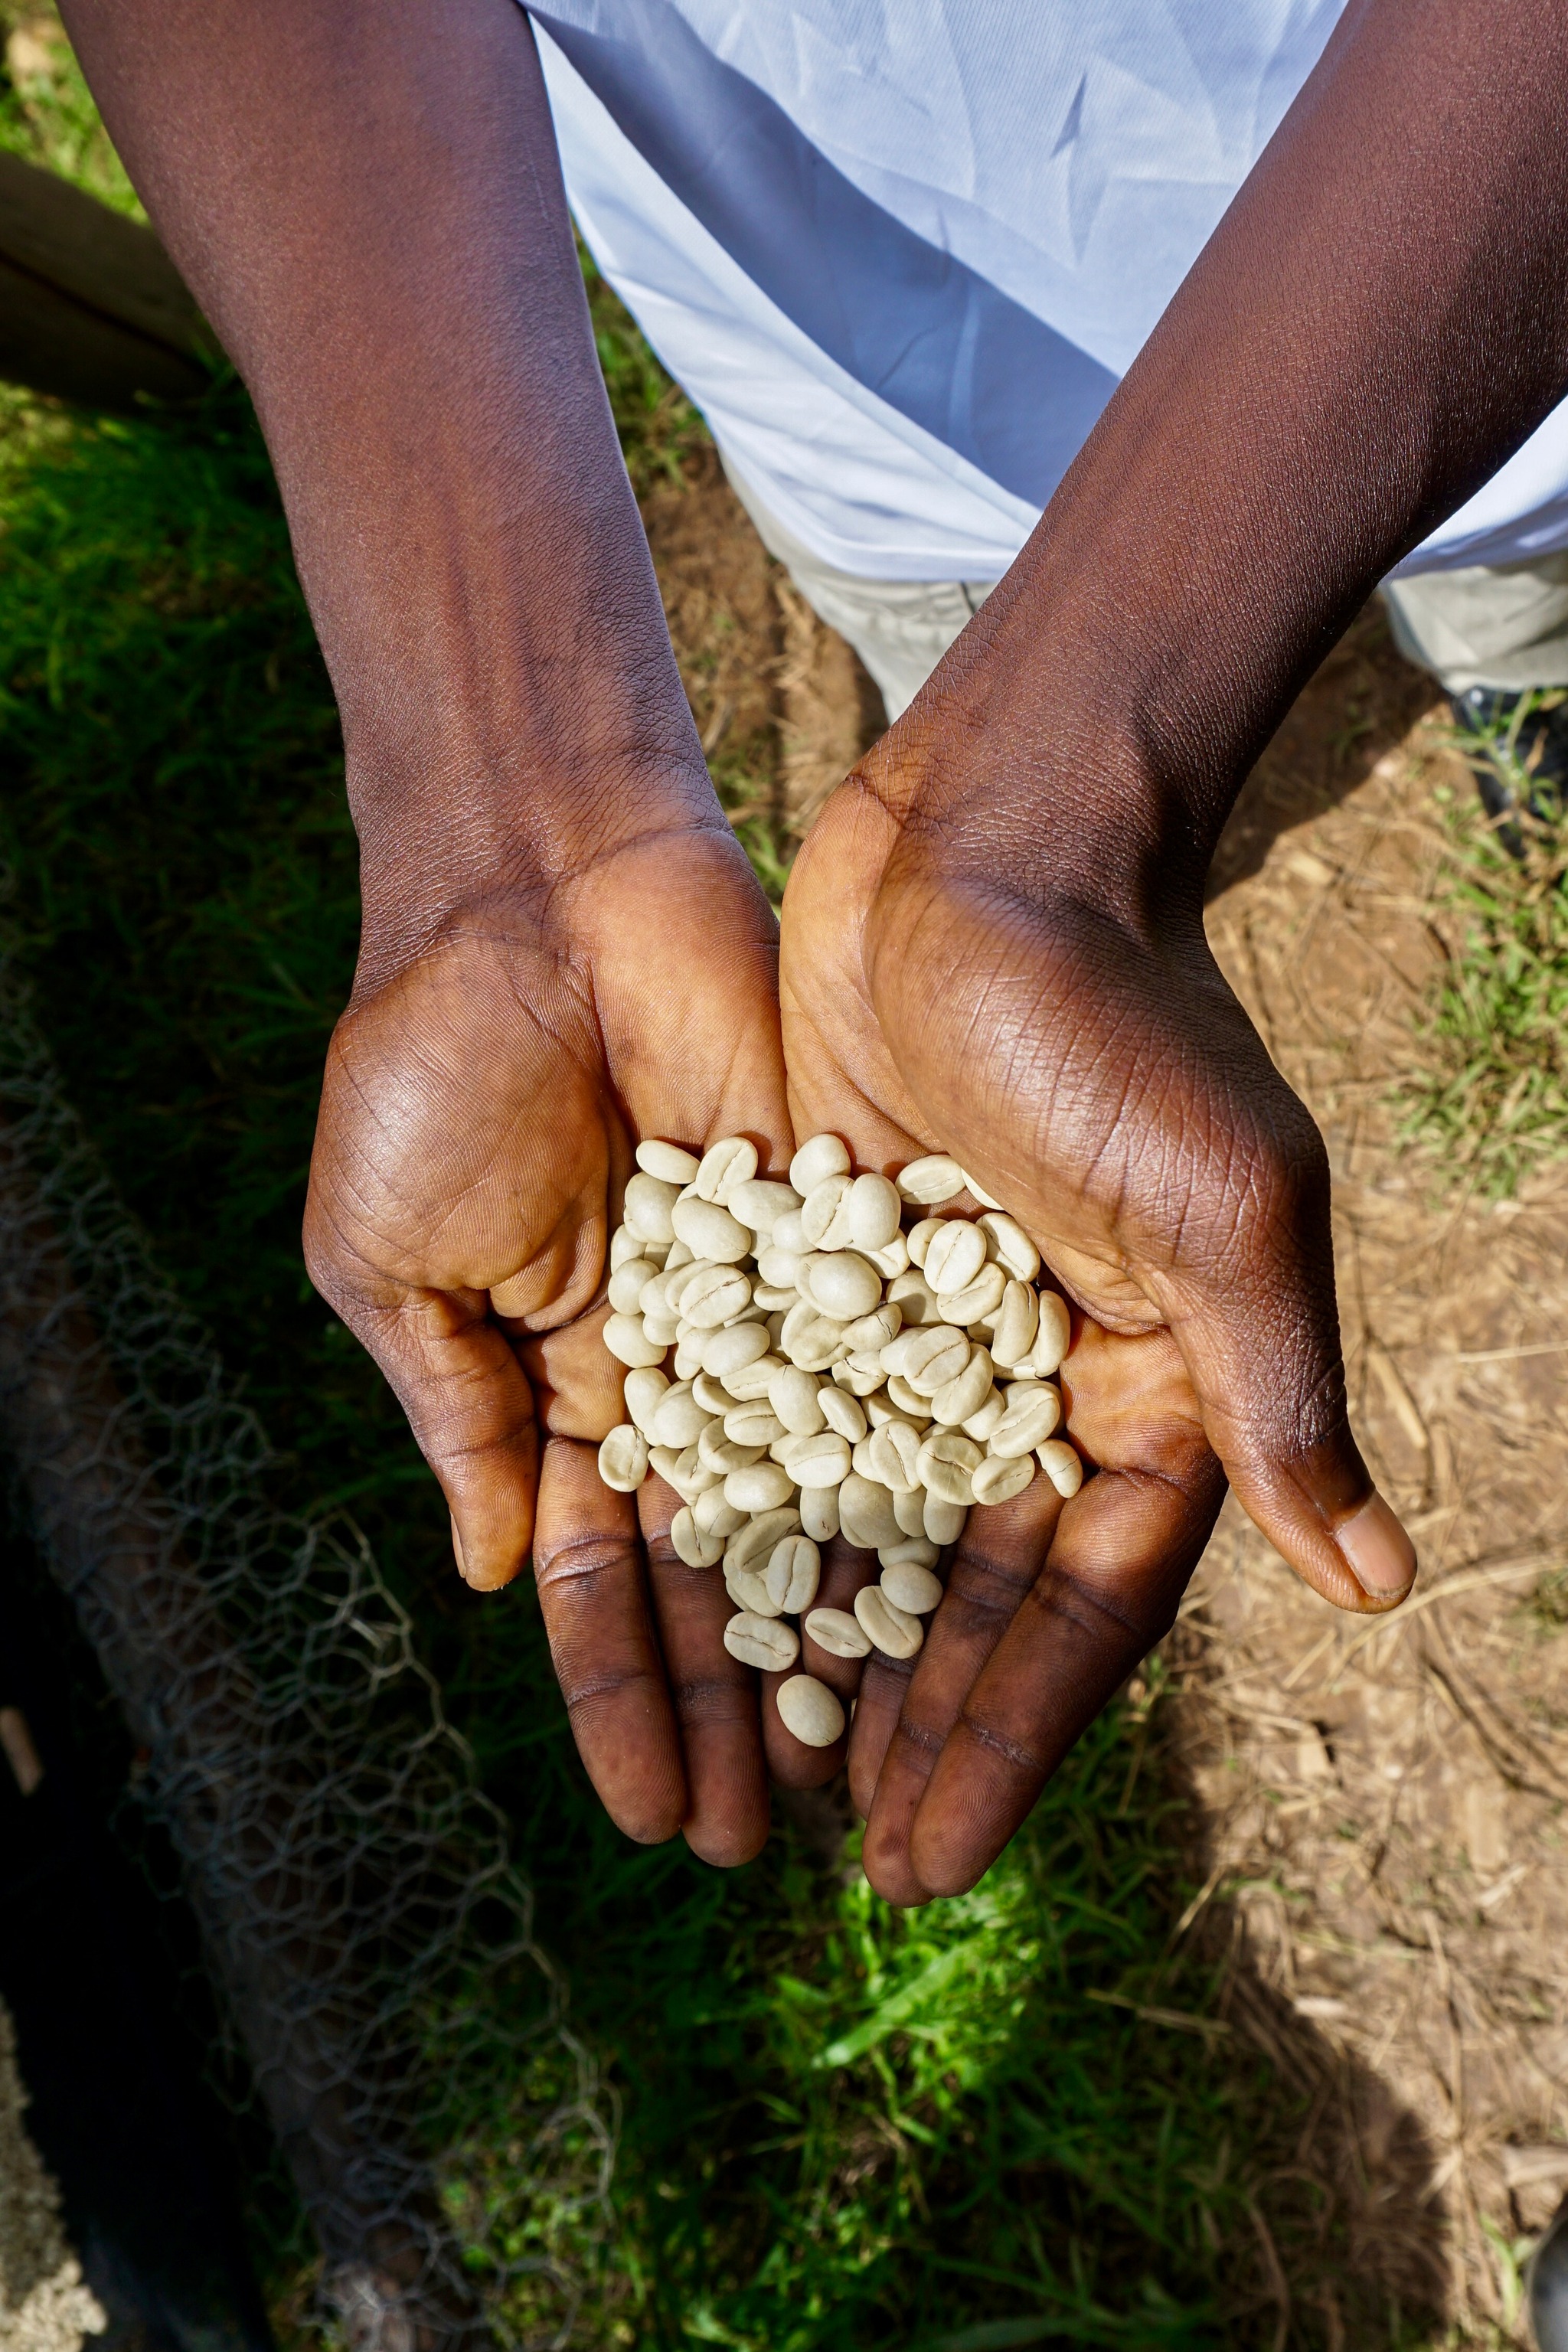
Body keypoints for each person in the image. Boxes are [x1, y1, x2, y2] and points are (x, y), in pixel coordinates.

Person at [57, 0, 1568, 1907]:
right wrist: (512, 809)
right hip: (857, 379)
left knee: (1516, 569)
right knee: (950, 623)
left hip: (1502, 245)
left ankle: (1514, 678)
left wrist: (1053, 808)